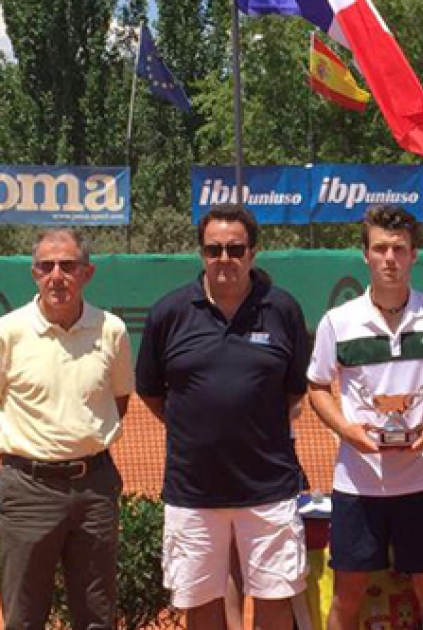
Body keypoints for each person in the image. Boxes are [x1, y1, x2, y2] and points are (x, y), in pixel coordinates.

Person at [136, 203, 310, 630]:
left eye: (235, 249)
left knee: (274, 602)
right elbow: (151, 391)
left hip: (268, 489)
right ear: (201, 254)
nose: (224, 260)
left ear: (253, 252)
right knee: (202, 607)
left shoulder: (282, 310)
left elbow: (296, 390)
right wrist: (198, 431)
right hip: (193, 492)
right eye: (214, 250)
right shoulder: (169, 313)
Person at [308, 205, 423, 630]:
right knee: (348, 594)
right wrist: (348, 431)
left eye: (399, 248)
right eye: (380, 248)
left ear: (414, 254)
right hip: (358, 483)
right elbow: (318, 388)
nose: (389, 258)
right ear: (365, 255)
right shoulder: (337, 322)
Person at [0, 228, 134, 629]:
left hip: (95, 487)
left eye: (67, 265)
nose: (56, 275)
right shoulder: (8, 331)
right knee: (24, 615)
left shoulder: (112, 331)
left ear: (87, 273)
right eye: (46, 266)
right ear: (34, 273)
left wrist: (82, 442)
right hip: (27, 489)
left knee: (96, 614)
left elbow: (119, 400)